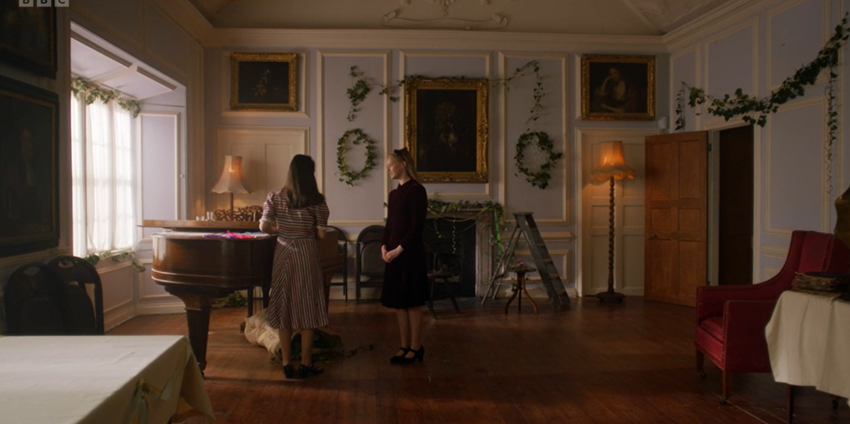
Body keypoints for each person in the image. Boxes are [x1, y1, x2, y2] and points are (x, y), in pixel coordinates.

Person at [259, 154, 330, 379]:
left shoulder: (275, 197)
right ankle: (306, 363)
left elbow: (263, 226)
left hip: (283, 252)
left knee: (284, 305)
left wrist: (279, 230)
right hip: (306, 254)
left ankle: (287, 363)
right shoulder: (317, 201)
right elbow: (321, 234)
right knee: (307, 306)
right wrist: (307, 232)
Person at [380, 148, 429, 365]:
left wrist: (399, 249)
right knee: (399, 303)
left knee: (412, 302)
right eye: (388, 165)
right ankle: (404, 345)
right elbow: (390, 224)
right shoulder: (393, 194)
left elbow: (417, 226)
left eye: (391, 164)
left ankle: (416, 347)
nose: (388, 169)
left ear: (403, 164)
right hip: (393, 254)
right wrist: (384, 246)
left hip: (410, 255)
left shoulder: (417, 190)